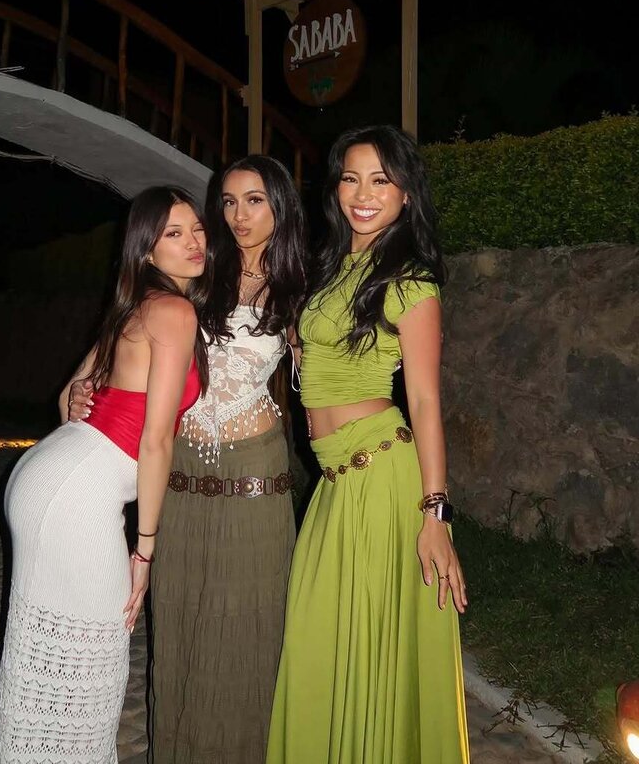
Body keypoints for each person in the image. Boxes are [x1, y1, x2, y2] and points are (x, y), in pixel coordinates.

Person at [69, 155, 307, 763]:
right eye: (227, 202)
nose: (238, 216)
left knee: (247, 625)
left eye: (254, 200)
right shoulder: (198, 270)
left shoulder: (303, 284)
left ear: (280, 205)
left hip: (255, 473)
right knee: (178, 621)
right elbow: (109, 352)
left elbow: (330, 380)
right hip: (179, 474)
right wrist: (77, 390)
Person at [266, 125, 470, 764]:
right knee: (321, 637)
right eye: (352, 178)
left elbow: (426, 402)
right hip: (334, 484)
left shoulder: (410, 283)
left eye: (381, 180)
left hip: (382, 478)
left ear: (406, 193)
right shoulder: (332, 268)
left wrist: (435, 514)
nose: (363, 194)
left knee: (368, 641)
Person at [0, 186, 209, 764]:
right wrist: (145, 550)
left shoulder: (132, 307)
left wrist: (85, 395)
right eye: (174, 233)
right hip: (78, 492)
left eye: (196, 229)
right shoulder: (174, 312)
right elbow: (155, 440)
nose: (194, 242)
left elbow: (68, 398)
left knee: (44, 654)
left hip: (50, 473)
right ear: (146, 248)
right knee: (94, 661)